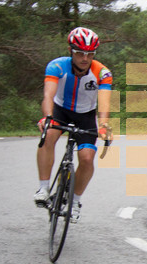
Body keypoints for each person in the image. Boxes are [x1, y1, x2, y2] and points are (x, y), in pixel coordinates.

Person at [34, 27, 113, 222]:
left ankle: (75, 200)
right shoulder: (57, 66)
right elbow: (48, 96)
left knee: (87, 159)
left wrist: (103, 125)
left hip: (85, 115)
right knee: (48, 136)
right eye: (80, 53)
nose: (85, 58)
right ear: (71, 51)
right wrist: (47, 117)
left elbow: (103, 103)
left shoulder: (102, 73)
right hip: (60, 111)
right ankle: (43, 188)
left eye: (90, 54)